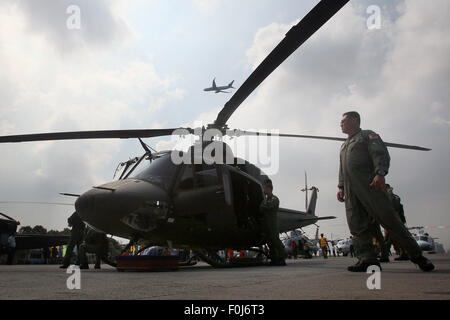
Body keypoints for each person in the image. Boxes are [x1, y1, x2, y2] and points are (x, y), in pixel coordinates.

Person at [337, 111, 434, 272]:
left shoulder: (368, 136)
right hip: (351, 190)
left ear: (354, 121)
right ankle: (367, 259)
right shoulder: (344, 145)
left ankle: (417, 256)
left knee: (390, 220)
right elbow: (342, 168)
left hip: (370, 185)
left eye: (343, 121)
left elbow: (380, 154)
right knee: (357, 224)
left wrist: (380, 173)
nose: (340, 124)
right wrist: (340, 186)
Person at [260, 178, 286, 266]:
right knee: (270, 242)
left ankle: (282, 259)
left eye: (264, 188)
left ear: (269, 189)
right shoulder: (265, 200)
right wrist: (265, 207)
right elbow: (261, 208)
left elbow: (268, 207)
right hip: (267, 224)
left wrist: (265, 207)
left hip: (273, 224)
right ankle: (274, 259)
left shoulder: (275, 199)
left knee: (276, 241)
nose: (263, 190)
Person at [384, 184, 409, 261]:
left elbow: (395, 207)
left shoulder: (394, 197)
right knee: (394, 239)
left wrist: (389, 195)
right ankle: (403, 253)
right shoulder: (388, 197)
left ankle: (384, 255)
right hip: (391, 221)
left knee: (388, 239)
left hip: (394, 221)